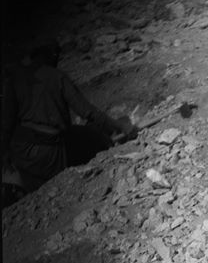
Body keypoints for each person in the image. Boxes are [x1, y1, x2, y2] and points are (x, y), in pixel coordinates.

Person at [1, 39, 137, 206]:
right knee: (86, 142)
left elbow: (6, 124)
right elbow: (88, 112)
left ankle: (19, 191)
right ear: (53, 58)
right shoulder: (58, 77)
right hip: (49, 154)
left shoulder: (15, 78)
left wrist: (5, 154)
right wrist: (120, 126)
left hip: (21, 150)